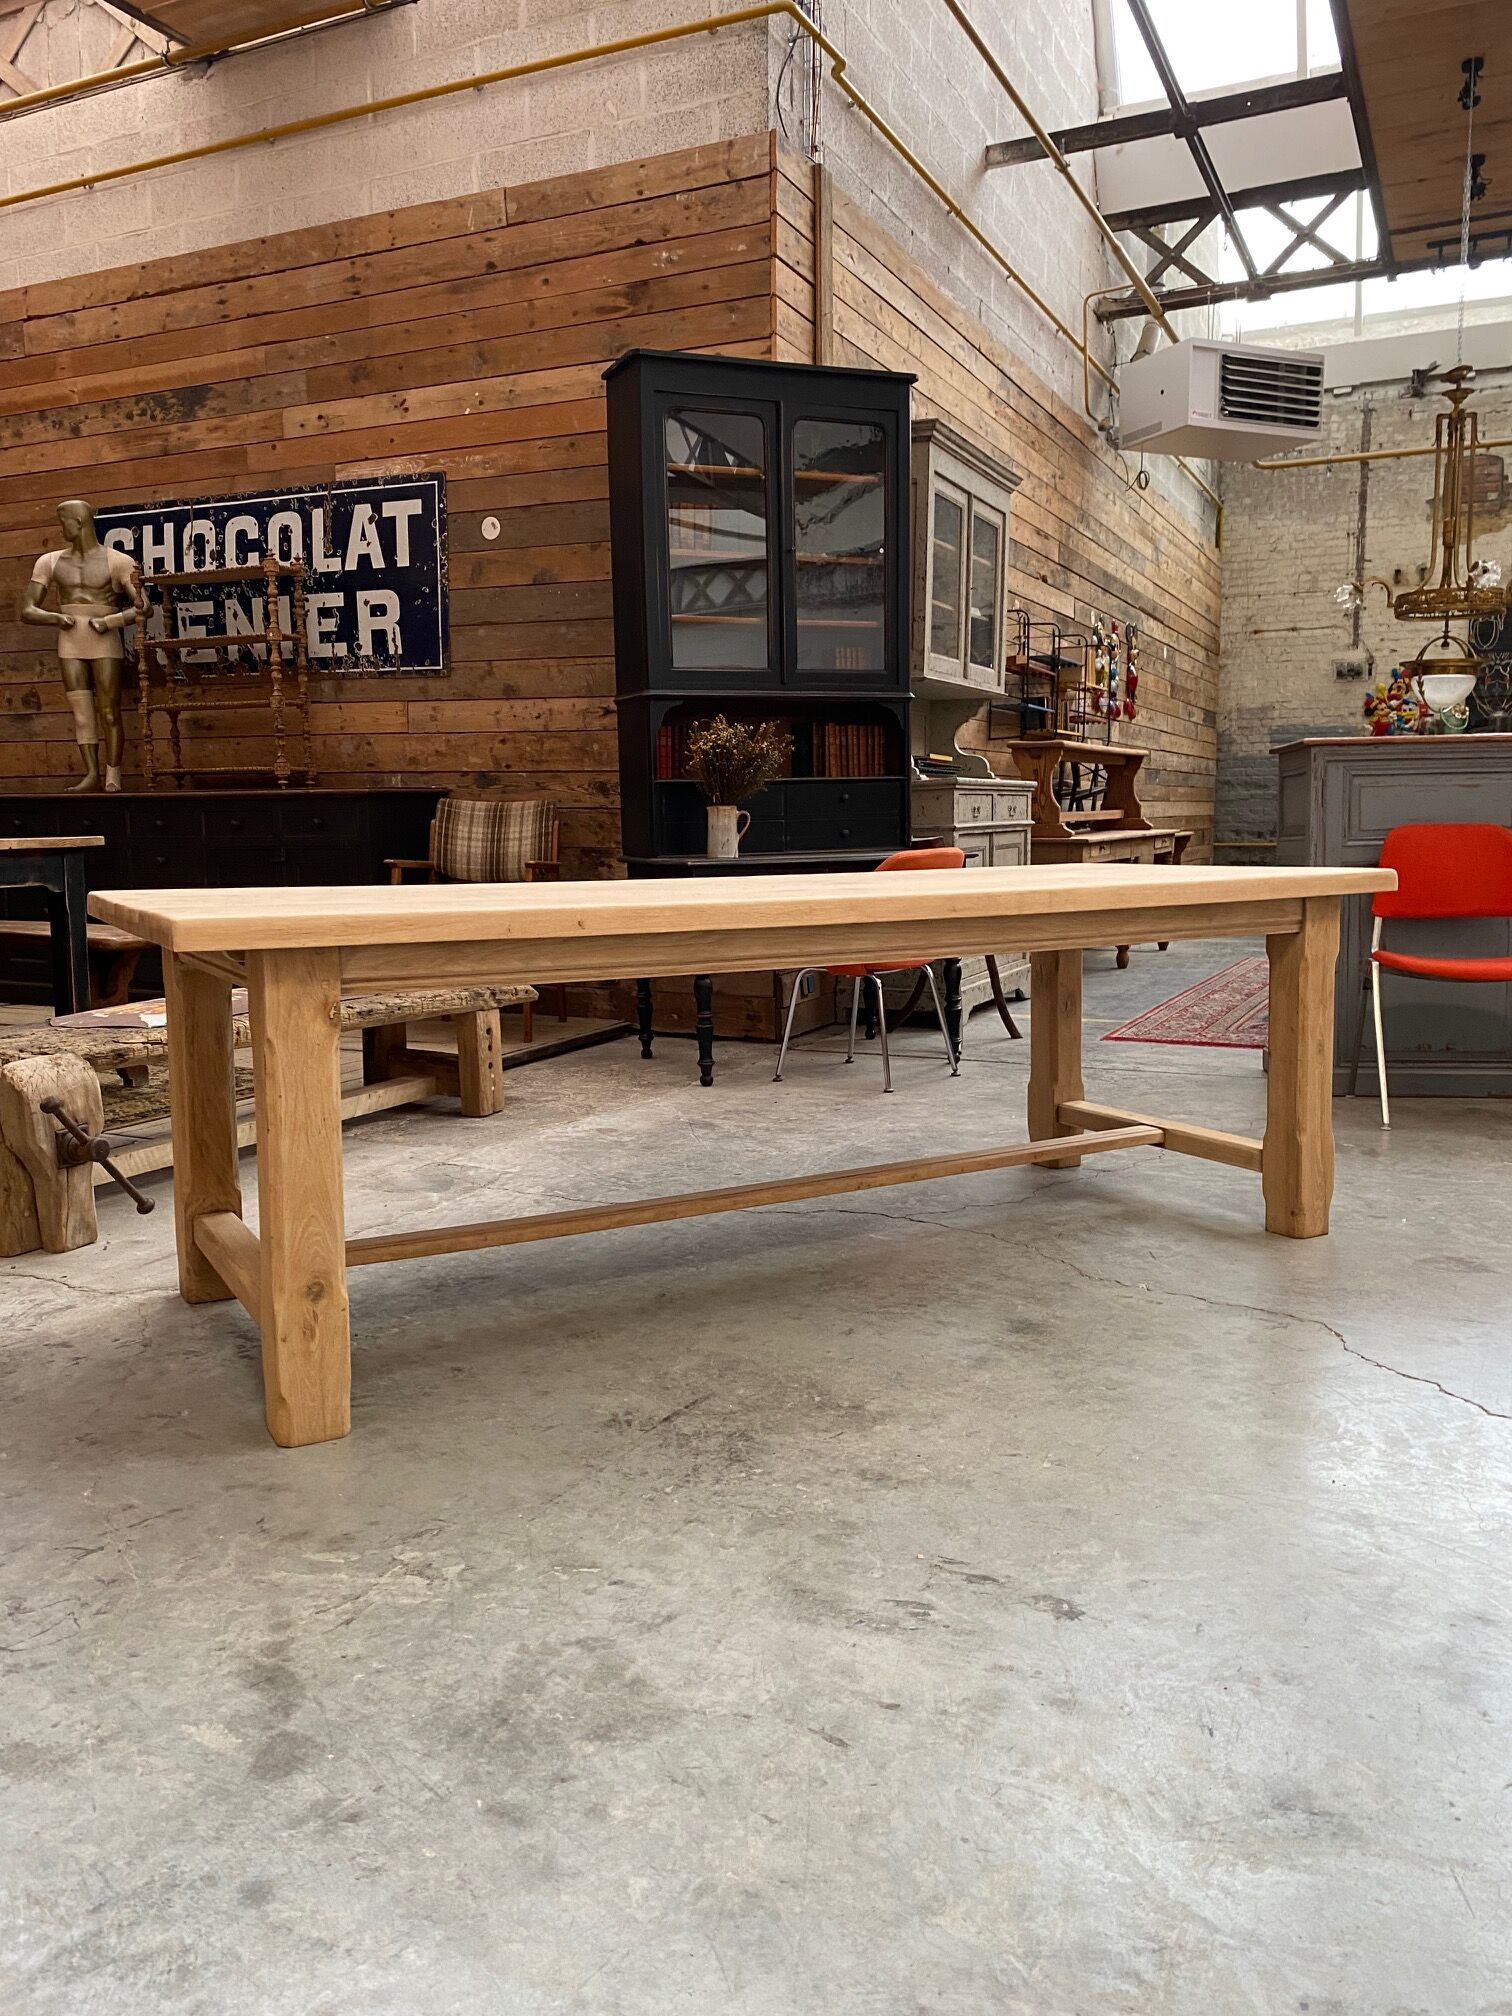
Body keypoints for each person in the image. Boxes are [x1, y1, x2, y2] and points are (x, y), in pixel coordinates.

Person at [22, 499, 139, 794]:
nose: (60, 528)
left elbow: (144, 608)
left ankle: (113, 774)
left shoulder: (119, 561)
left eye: (62, 522)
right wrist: (55, 617)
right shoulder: (49, 562)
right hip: (71, 642)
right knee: (82, 713)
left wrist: (110, 622)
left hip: (104, 640)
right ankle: (91, 773)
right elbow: (27, 610)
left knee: (109, 711)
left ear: (78, 521)